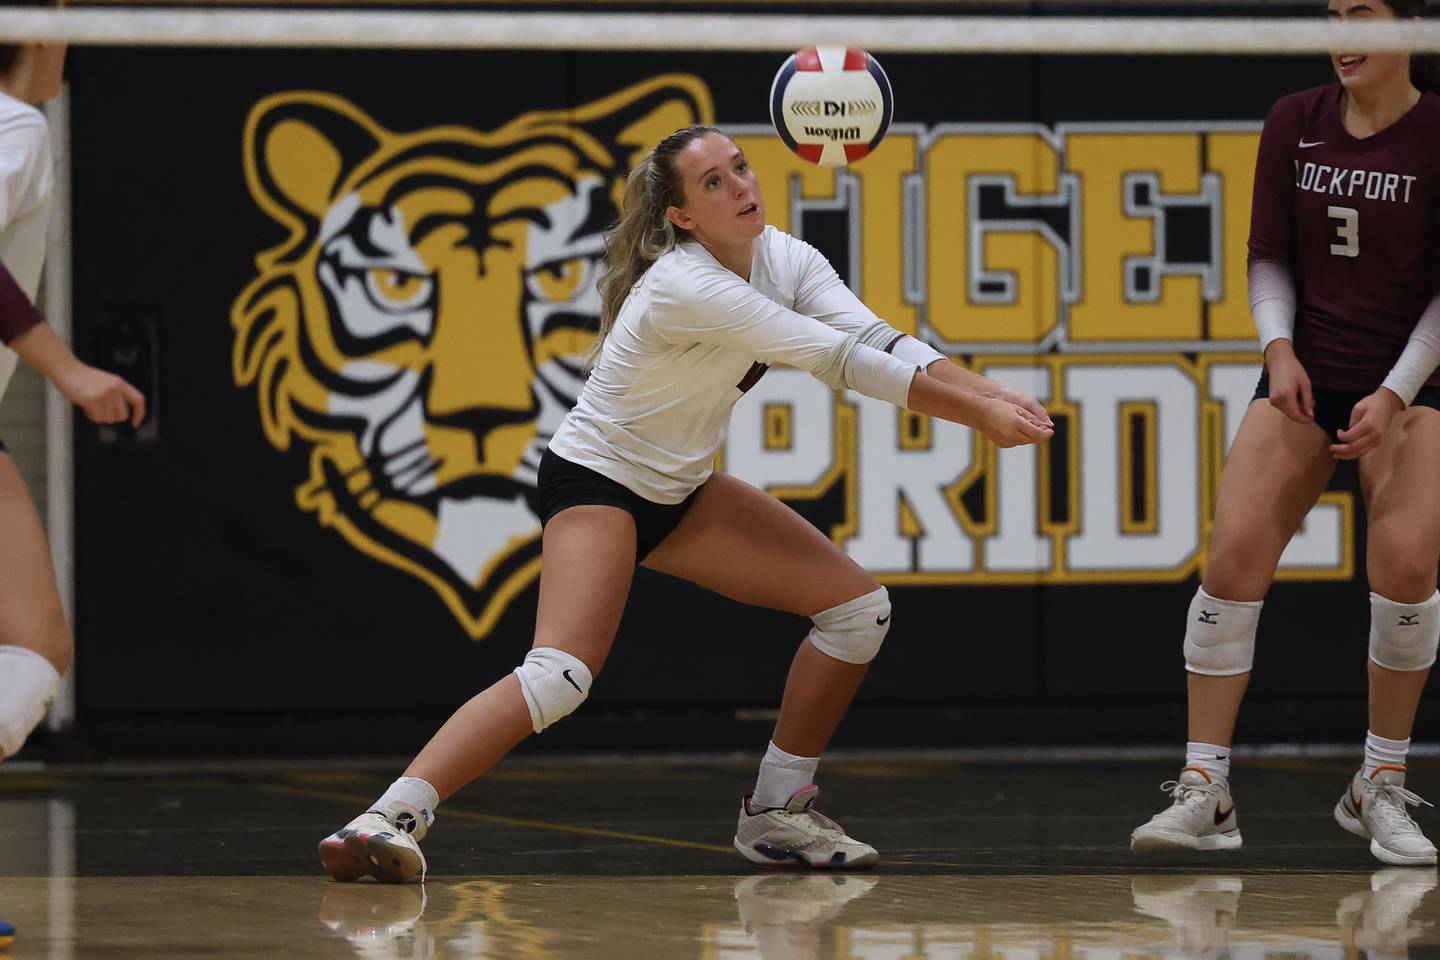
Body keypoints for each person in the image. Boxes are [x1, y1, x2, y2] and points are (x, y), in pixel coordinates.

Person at [319, 124, 1053, 882]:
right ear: (680, 216)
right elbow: (834, 359)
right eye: (712, 183)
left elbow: (878, 338)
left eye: (740, 168)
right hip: (599, 480)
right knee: (560, 674)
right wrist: (979, 418)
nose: (740, 186)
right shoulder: (684, 284)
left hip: (681, 489)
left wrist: (993, 392)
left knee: (857, 611)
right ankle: (390, 816)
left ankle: (776, 812)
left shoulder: (785, 257)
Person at [1131, 0, 1440, 866]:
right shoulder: (1293, 121)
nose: (1342, 34)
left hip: (1415, 381)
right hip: (1306, 369)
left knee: (1409, 568)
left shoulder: (1438, 134)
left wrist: (1395, 391)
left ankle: (1378, 782)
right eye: (1334, 14)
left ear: (1413, 27)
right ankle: (1205, 787)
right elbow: (1266, 252)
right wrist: (1280, 350)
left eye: (1364, 15)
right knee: (1231, 559)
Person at [0, 1, 145, 765]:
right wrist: (73, 372)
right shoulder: (17, 125)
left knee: (37, 646)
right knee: (36, 648)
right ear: (39, 35)